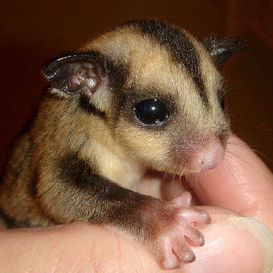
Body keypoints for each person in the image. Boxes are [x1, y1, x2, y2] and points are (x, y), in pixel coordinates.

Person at [0, 134, 273, 273]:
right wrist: (152, 217)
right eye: (152, 111)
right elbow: (58, 193)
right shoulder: (68, 140)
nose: (213, 153)